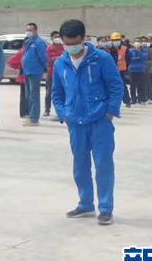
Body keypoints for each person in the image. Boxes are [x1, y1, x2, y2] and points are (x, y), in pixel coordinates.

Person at [52, 19, 123, 225]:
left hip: (100, 120)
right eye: (66, 44)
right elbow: (56, 92)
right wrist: (63, 113)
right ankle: (85, 204)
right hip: (75, 122)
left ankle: (105, 208)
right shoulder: (60, 63)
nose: (70, 47)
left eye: (74, 43)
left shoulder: (101, 58)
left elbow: (115, 86)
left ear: (84, 38)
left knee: (103, 165)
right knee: (80, 166)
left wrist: (109, 112)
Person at [21, 22, 48, 126]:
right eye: (27, 30)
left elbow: (43, 57)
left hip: (35, 72)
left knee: (34, 95)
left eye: (30, 30)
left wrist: (44, 67)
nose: (28, 32)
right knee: (28, 95)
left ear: (35, 31)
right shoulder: (28, 41)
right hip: (27, 71)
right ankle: (31, 115)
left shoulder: (38, 42)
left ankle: (34, 119)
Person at [45, 30, 64, 118]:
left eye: (58, 37)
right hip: (50, 73)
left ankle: (60, 111)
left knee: (61, 93)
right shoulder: (49, 48)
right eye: (55, 37)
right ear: (51, 38)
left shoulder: (63, 47)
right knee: (49, 92)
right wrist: (59, 58)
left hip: (61, 73)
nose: (57, 39)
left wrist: (55, 59)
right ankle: (47, 109)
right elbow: (48, 60)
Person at [108, 32, 130, 107]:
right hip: (112, 71)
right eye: (114, 40)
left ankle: (127, 101)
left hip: (121, 71)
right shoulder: (110, 49)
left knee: (123, 86)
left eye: (117, 40)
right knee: (112, 87)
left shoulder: (124, 48)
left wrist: (126, 69)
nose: (116, 41)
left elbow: (128, 59)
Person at [126, 37, 149, 106]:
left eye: (139, 41)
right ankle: (133, 99)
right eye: (136, 41)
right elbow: (130, 59)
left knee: (141, 85)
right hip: (132, 69)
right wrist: (137, 58)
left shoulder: (144, 50)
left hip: (140, 70)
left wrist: (138, 52)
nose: (137, 43)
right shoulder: (130, 50)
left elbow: (143, 58)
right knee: (132, 86)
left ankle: (141, 99)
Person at [7, 46, 28, 118]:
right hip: (24, 77)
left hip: (26, 76)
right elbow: (11, 61)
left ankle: (26, 112)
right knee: (25, 95)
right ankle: (24, 112)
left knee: (26, 95)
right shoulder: (23, 51)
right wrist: (18, 67)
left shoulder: (26, 50)